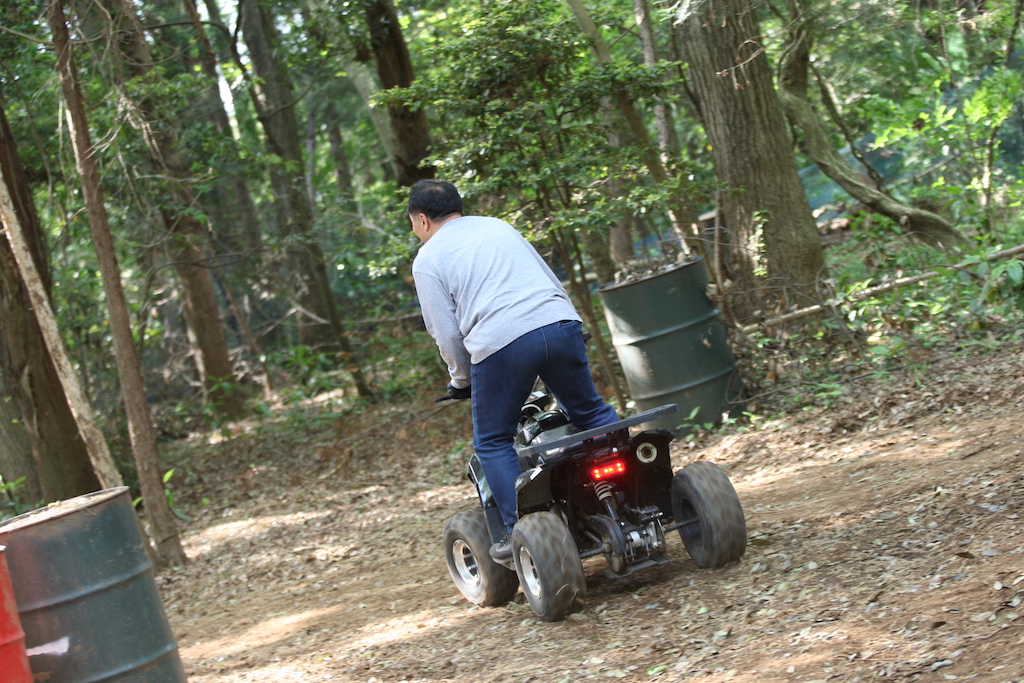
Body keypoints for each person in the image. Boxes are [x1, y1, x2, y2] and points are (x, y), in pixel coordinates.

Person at [409, 179, 619, 561]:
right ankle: (624, 493)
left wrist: (461, 380)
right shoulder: (497, 226)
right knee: (591, 412)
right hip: (559, 322)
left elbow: (447, 334)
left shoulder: (427, 260)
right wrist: (568, 327)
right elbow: (548, 279)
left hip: (502, 343)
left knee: (493, 441)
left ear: (422, 220)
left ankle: (518, 529)